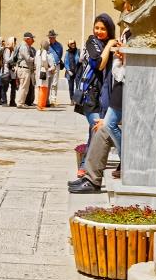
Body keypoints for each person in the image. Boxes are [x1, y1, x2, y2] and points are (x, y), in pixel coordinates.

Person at [71, 14, 126, 193]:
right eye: (97, 28)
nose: (99, 31)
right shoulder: (92, 42)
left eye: (103, 29)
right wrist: (110, 45)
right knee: (99, 128)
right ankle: (90, 171)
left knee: (99, 130)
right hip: (90, 96)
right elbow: (98, 66)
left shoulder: (113, 43)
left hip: (105, 97)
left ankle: (89, 171)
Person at [41, 31, 64, 111]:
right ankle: (46, 100)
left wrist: (55, 64)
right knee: (47, 83)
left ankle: (53, 100)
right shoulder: (47, 46)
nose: (51, 39)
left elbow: (60, 55)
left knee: (54, 83)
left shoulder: (59, 46)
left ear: (55, 37)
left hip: (56, 66)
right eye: (50, 37)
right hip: (48, 67)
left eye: (52, 37)